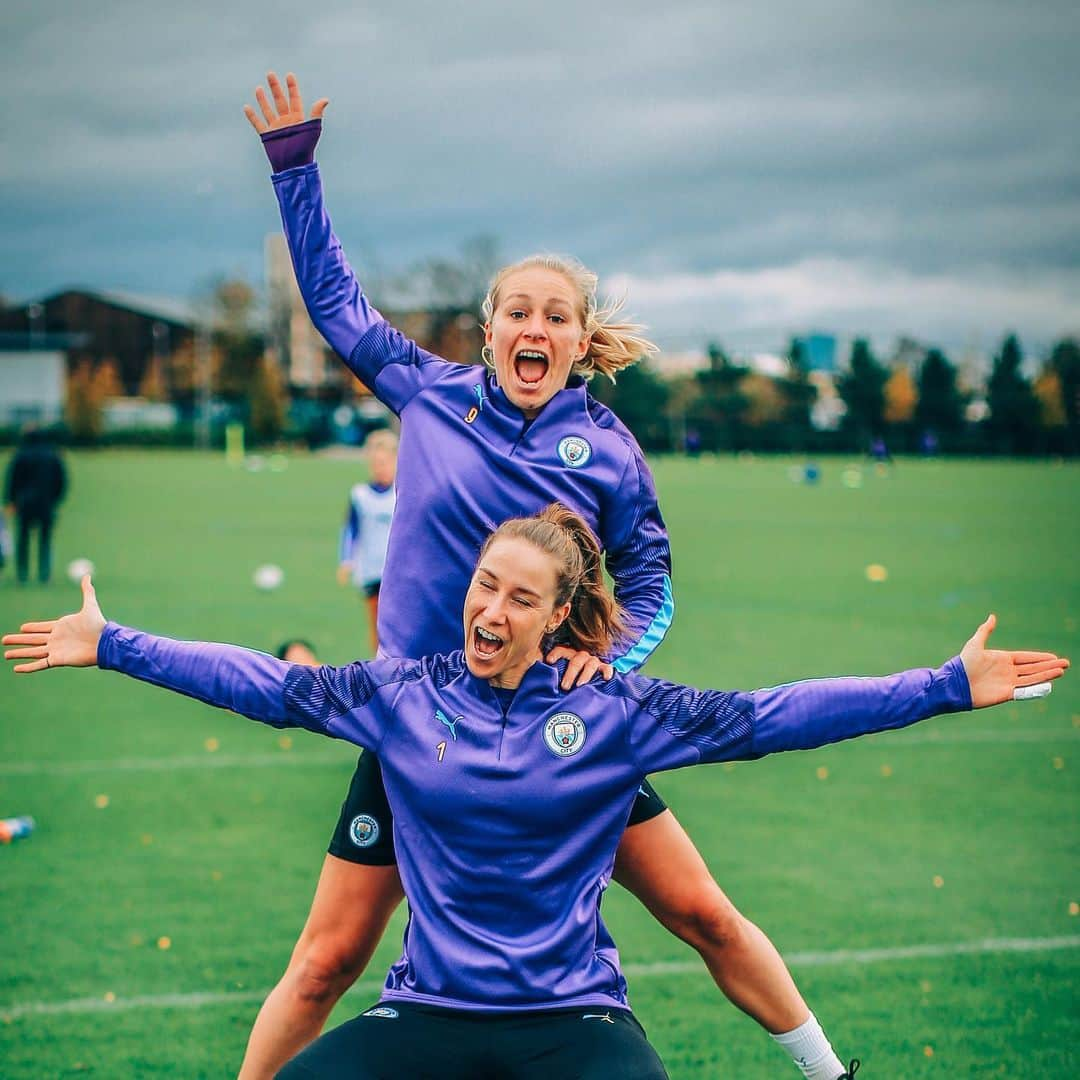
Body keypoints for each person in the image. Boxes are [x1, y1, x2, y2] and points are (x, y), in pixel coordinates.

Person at [241, 70, 853, 1080]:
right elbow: (336, 306)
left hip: (559, 734)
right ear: (489, 331)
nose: (535, 329)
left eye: (556, 317)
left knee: (703, 912)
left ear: (579, 341)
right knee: (323, 965)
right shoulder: (429, 396)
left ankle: (832, 1073)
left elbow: (650, 586)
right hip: (420, 730)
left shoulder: (610, 450)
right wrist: (296, 171)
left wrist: (600, 658)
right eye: (516, 312)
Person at [3, 506, 1067, 1079]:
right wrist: (114, 644)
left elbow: (769, 717)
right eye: (484, 586)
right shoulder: (398, 698)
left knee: (705, 924)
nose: (493, 609)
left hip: (576, 1023)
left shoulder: (615, 715)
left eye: (521, 597)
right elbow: (262, 684)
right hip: (424, 1016)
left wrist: (941, 687)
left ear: (558, 618)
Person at [336, 429, 398, 653]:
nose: (380, 467)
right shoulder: (360, 495)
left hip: (398, 572)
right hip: (371, 571)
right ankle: (380, 670)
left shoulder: (402, 492)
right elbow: (350, 529)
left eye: (385, 462)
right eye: (376, 462)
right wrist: (346, 561)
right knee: (378, 626)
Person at [4, 426, 68, 585]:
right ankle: (45, 575)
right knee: (45, 540)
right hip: (46, 504)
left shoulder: (20, 455)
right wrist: (55, 500)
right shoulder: (53, 455)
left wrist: (10, 501)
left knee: (23, 540)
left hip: (24, 503)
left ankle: (22, 574)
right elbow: (61, 481)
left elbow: (12, 480)